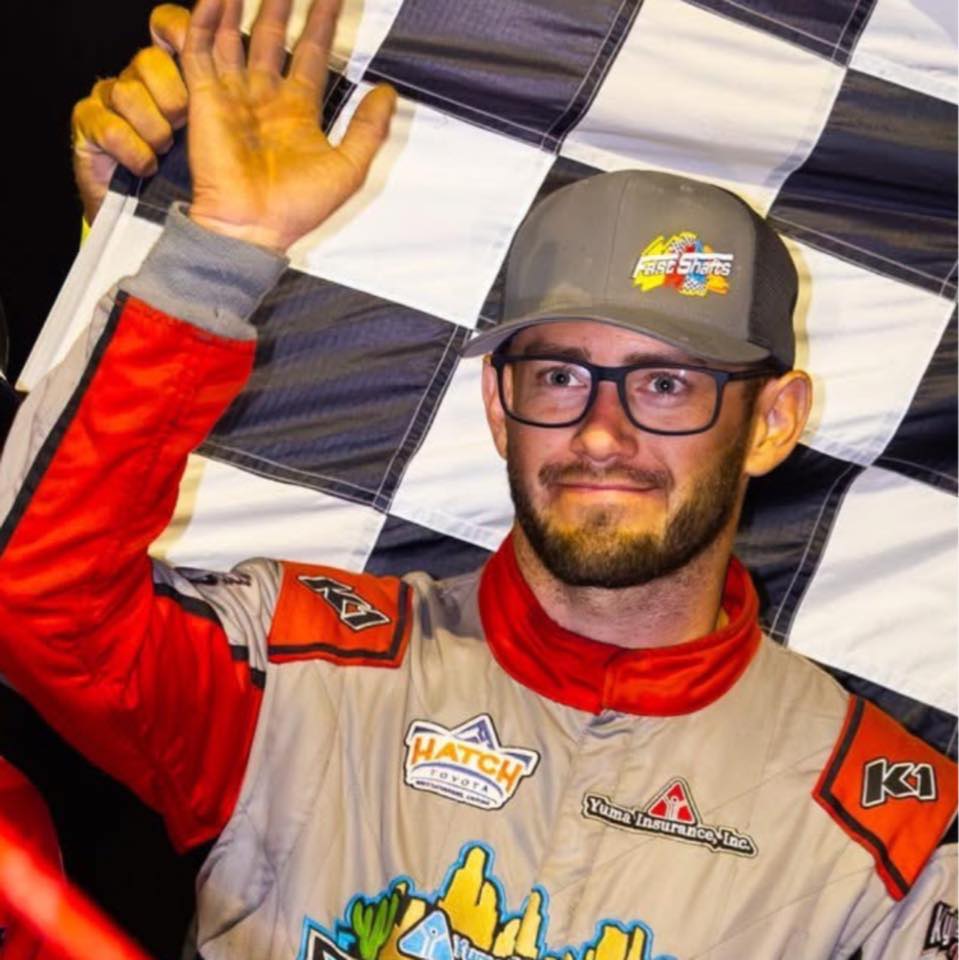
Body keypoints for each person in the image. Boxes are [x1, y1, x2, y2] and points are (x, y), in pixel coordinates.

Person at [3, 0, 955, 957]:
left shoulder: (896, 844)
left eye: (667, 385)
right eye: (559, 377)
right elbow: (42, 601)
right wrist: (217, 255)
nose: (602, 433)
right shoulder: (298, 672)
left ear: (772, 422)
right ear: (499, 405)